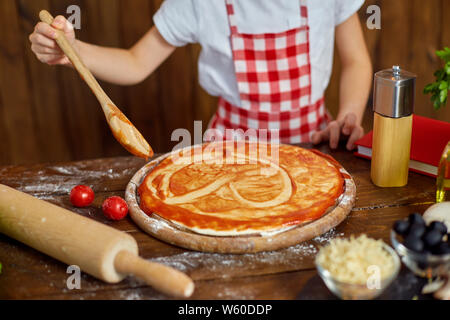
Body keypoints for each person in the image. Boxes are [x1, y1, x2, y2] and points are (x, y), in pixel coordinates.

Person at [29, 0, 372, 150]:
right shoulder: (198, 2)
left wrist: (346, 117)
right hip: (230, 148)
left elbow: (356, 60)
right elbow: (135, 62)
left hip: (314, 142)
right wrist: (73, 52)